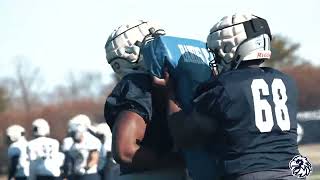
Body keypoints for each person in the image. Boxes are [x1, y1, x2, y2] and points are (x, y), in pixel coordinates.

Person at [166, 13, 302, 180]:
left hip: (250, 173)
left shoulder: (224, 85)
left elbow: (186, 137)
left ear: (227, 48)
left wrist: (169, 94)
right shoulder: (287, 82)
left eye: (216, 52)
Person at [104, 20, 187, 180]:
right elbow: (125, 150)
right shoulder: (137, 84)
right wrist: (177, 160)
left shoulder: (166, 81)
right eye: (151, 42)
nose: (159, 46)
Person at [68, 114, 101, 180]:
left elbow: (94, 159)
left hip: (89, 175)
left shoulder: (91, 140)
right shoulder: (74, 142)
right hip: (77, 174)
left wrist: (85, 169)